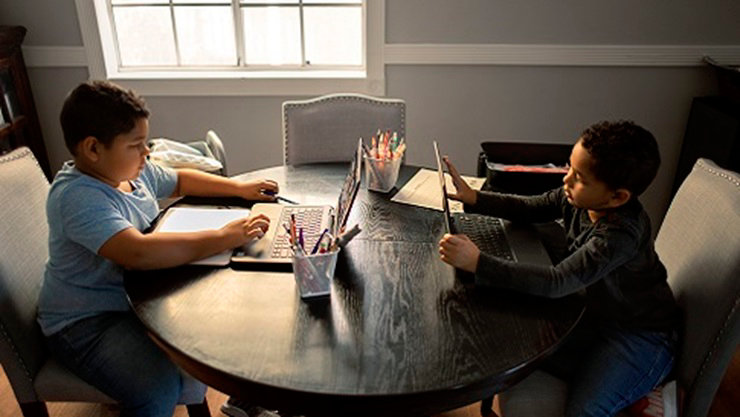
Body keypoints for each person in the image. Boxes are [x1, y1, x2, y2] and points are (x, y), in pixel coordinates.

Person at [37, 80, 276, 417]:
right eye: (135, 145)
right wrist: (224, 236)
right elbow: (139, 253)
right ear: (93, 149)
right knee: (157, 388)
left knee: (232, 318)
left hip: (136, 299)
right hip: (87, 322)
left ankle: (245, 396)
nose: (146, 153)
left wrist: (237, 188)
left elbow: (180, 180)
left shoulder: (133, 171)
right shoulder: (77, 197)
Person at [438, 120, 679, 417]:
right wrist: (475, 198)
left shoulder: (620, 236)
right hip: (595, 316)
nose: (566, 180)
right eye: (570, 168)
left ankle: (652, 393)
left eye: (579, 177)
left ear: (617, 197)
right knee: (513, 349)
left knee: (583, 410)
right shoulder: (578, 199)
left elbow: (557, 282)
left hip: (638, 335)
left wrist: (478, 262)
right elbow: (532, 208)